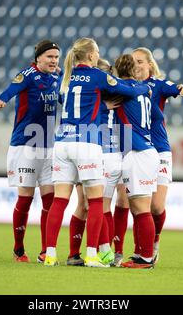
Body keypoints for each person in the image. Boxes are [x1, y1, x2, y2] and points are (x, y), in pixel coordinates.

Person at [44, 37, 150, 267]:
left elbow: (70, 101)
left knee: (60, 200)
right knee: (94, 202)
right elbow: (126, 89)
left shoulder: (67, 77)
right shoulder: (99, 76)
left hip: (62, 142)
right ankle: (93, 254)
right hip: (87, 143)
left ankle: (50, 254)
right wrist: (146, 86)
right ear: (91, 55)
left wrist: (100, 105)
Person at [113, 47, 183, 265]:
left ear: (149, 65)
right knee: (127, 199)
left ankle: (152, 244)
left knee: (155, 206)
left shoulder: (157, 85)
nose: (136, 65)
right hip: (132, 147)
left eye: (140, 61)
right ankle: (128, 251)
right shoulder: (127, 87)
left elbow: (178, 88)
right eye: (133, 61)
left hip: (158, 148)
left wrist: (182, 88)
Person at [0, 40, 61, 263]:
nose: (54, 61)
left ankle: (45, 250)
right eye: (50, 57)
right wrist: (3, 99)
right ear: (39, 58)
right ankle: (18, 250)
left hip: (49, 147)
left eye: (56, 57)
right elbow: (13, 88)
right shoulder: (28, 74)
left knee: (49, 200)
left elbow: (66, 100)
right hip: (25, 145)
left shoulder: (56, 79)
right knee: (25, 199)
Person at [66, 58, 122, 267]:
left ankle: (98, 251)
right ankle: (95, 251)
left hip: (101, 152)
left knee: (90, 204)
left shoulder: (115, 97)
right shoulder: (96, 101)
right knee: (90, 204)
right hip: (88, 150)